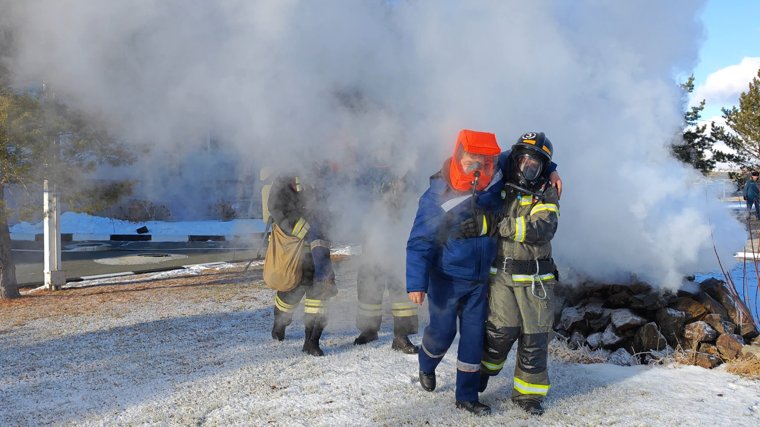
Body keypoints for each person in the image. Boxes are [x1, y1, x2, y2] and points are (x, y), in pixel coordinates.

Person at [406, 129, 502, 416]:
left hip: (479, 282)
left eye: (485, 164)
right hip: (446, 279)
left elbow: (525, 156)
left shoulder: (495, 181)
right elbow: (419, 241)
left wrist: (552, 170)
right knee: (442, 332)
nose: (480, 169)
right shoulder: (437, 195)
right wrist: (416, 283)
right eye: (473, 162)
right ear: (459, 157)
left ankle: (467, 397)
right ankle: (427, 361)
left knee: (473, 339)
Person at [479, 132, 560, 416]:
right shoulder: (503, 185)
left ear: (541, 167)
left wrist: (501, 224)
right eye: (523, 159)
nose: (527, 167)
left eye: (535, 163)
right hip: (501, 276)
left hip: (536, 280)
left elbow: (542, 229)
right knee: (499, 333)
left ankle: (528, 396)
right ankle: (483, 370)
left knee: (535, 340)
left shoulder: (548, 192)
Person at [268, 174, 337, 356]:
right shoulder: (284, 177)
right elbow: (275, 209)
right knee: (291, 291)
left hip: (319, 249)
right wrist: (300, 229)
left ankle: (311, 341)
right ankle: (280, 322)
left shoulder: (321, 174)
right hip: (293, 249)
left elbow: (330, 204)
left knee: (319, 293)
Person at [353, 165, 419, 354]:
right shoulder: (367, 170)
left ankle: (402, 334)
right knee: (369, 284)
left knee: (400, 284)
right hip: (373, 233)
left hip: (398, 234)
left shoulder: (406, 170)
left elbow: (412, 200)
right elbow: (357, 197)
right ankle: (369, 329)